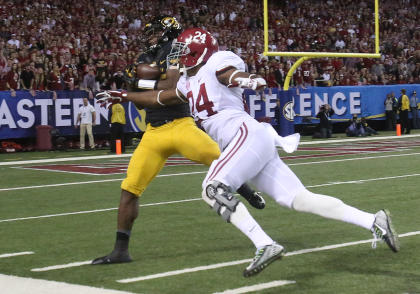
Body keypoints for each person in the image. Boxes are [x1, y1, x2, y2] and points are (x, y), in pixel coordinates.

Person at [97, 27, 400, 277]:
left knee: (211, 188)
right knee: (297, 198)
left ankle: (264, 243)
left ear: (199, 51)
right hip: (250, 142)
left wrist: (247, 79)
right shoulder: (189, 81)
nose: (180, 58)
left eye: (185, 52)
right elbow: (160, 97)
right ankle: (373, 220)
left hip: (244, 134)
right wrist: (124, 95)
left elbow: (228, 75)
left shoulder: (217, 61)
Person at [92, 17, 265, 266]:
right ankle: (120, 250)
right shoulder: (144, 56)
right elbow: (147, 96)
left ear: (167, 31)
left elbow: (171, 85)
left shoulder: (178, 49)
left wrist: (137, 82)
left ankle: (246, 189)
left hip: (181, 124)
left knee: (223, 159)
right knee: (129, 189)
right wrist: (131, 91)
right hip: (153, 132)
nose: (150, 37)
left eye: (154, 32)